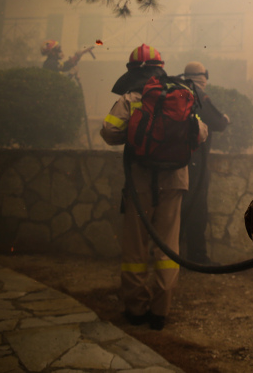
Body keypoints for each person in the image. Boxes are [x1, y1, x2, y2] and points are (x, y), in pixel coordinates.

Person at [100, 44, 208, 331]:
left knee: (136, 246)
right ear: (160, 66)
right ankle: (161, 311)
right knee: (168, 246)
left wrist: (135, 135)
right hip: (175, 180)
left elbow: (110, 132)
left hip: (140, 181)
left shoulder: (133, 96)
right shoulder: (179, 92)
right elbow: (200, 132)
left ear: (133, 69)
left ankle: (136, 309)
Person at [181, 61, 230, 264]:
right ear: (202, 77)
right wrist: (225, 118)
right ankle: (197, 256)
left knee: (176, 209)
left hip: (174, 161)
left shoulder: (177, 92)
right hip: (195, 164)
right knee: (197, 209)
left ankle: (170, 254)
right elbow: (219, 123)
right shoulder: (199, 94)